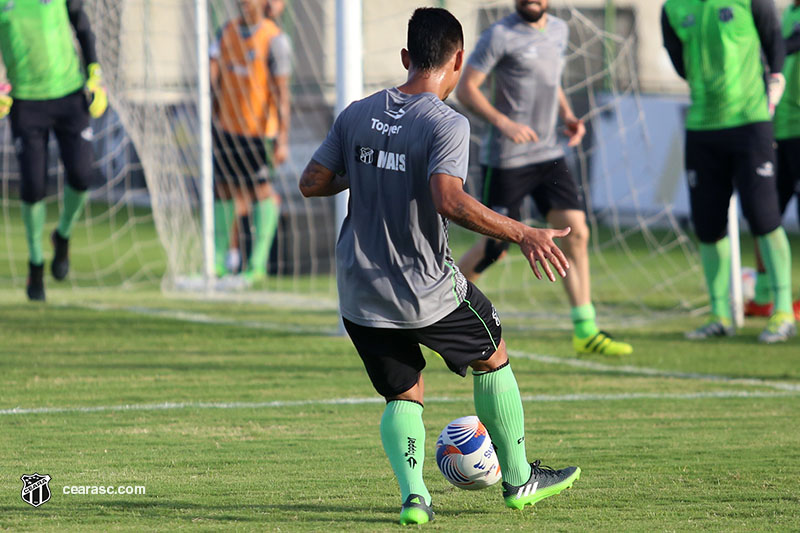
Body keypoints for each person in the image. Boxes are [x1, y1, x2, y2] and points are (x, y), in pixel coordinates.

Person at [299, 7, 580, 526]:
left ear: (407, 58)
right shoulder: (447, 122)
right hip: (426, 290)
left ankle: (414, 499)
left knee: (403, 393)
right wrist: (523, 232)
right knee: (492, 353)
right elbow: (449, 200)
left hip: (360, 293)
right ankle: (519, 479)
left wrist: (370, 163)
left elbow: (312, 181)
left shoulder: (357, 112)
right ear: (457, 61)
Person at [455, 0, 633, 356]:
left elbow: (550, 82)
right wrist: (504, 123)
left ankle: (585, 329)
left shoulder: (559, 30)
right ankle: (443, 307)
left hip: (549, 154)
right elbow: (466, 88)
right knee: (496, 250)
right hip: (507, 159)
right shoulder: (499, 35)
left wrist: (567, 114)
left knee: (576, 233)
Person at [662, 0, 796, 343]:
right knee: (708, 226)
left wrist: (776, 78)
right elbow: (680, 64)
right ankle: (719, 314)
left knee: (764, 217)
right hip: (702, 127)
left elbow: (774, 42)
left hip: (750, 123)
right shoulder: (673, 9)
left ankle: (781, 311)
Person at [0, 0, 108, 302]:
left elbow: (82, 25)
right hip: (25, 101)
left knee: (83, 175)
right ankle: (36, 264)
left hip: (69, 96)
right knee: (34, 186)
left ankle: (62, 235)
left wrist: (94, 75)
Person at [211, 0, 291, 284]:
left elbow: (282, 93)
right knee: (223, 190)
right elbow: (214, 78)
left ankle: (257, 265)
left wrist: (282, 138)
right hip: (227, 128)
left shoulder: (274, 39)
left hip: (260, 131)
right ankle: (219, 261)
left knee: (260, 191)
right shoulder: (225, 33)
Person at [746, 1, 800, 322]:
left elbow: (790, 44)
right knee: (765, 216)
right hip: (777, 128)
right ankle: (764, 295)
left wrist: (762, 45)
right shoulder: (788, 13)